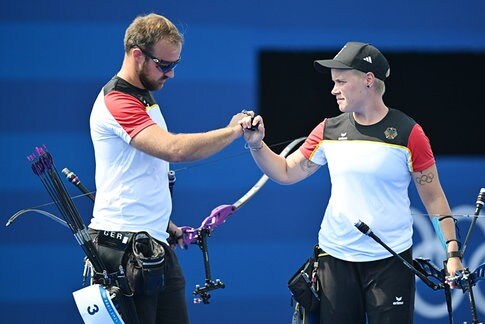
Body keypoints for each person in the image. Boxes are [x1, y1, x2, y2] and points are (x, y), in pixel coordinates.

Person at [241, 41, 465, 323]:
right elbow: (285, 172)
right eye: (334, 82)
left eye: (341, 82)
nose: (333, 89)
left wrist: (452, 252)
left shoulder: (410, 133)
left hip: (392, 262)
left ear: (368, 80)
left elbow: (434, 198)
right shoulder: (328, 129)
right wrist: (257, 145)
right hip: (335, 260)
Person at [88, 13, 248, 324]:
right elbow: (173, 149)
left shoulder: (144, 98)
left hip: (153, 243)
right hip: (123, 252)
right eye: (164, 65)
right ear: (137, 55)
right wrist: (233, 131)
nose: (171, 74)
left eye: (174, 65)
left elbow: (139, 173)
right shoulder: (118, 101)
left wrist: (166, 224)